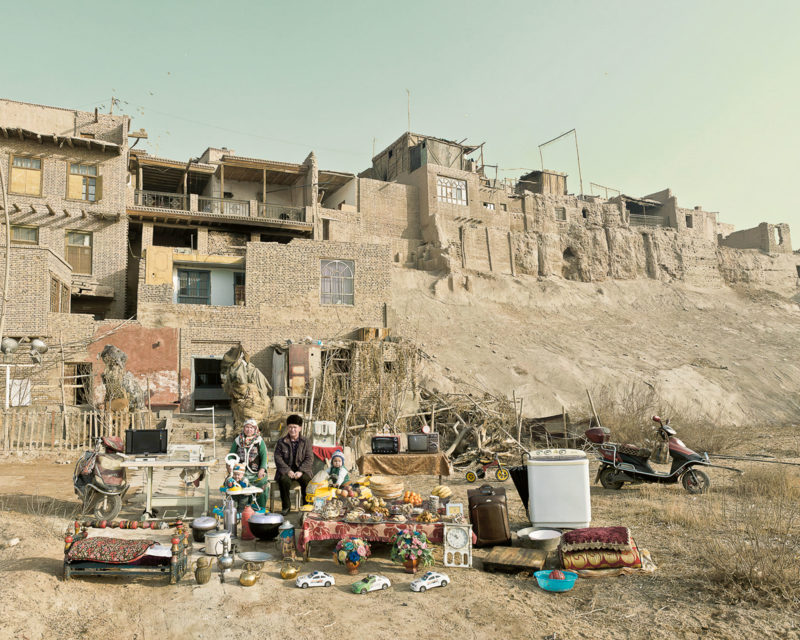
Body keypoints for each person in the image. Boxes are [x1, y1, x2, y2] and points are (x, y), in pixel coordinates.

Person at [274, 414, 313, 515]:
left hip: (302, 471)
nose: (292, 430)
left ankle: (306, 505)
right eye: (290, 427)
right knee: (283, 481)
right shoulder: (281, 442)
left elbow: (309, 458)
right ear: (287, 428)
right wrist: (288, 471)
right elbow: (278, 458)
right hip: (286, 471)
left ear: (300, 428)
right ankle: (286, 506)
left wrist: (301, 471)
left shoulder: (306, 442)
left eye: (295, 427)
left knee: (307, 481)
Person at [228, 418, 268, 511]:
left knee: (263, 484)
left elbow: (264, 456)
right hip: (241, 472)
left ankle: (259, 508)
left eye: (251, 427)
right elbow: (231, 455)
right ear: (243, 428)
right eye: (247, 427)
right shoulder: (238, 440)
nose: (249, 429)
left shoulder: (259, 441)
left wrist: (262, 469)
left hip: (255, 472)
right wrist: (230, 464)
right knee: (233, 483)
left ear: (255, 429)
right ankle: (241, 508)